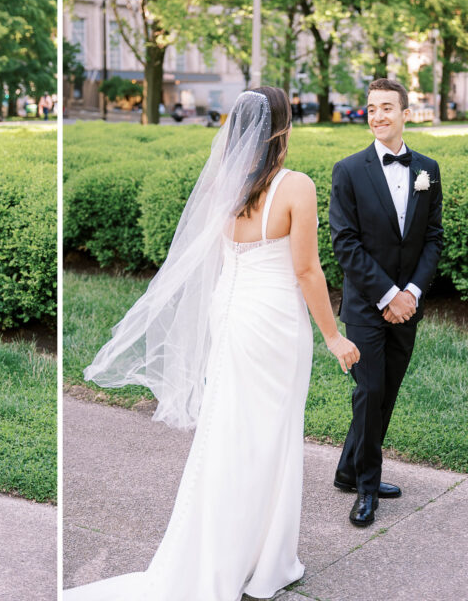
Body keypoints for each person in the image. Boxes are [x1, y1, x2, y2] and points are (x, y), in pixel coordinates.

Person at [65, 86, 360, 601]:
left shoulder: (224, 183)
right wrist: (333, 336)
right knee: (272, 434)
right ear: (282, 130)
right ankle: (267, 561)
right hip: (273, 320)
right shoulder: (297, 187)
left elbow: (223, 259)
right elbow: (308, 270)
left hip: (232, 312)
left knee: (229, 431)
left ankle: (229, 549)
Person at [329, 77, 443, 527]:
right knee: (369, 391)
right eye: (372, 108)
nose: (377, 116)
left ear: (405, 114)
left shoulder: (427, 169)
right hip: (365, 305)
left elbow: (432, 238)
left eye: (387, 108)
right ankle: (367, 487)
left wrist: (411, 293)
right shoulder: (349, 170)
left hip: (407, 306)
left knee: (386, 393)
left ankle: (347, 470)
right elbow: (345, 244)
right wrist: (387, 295)